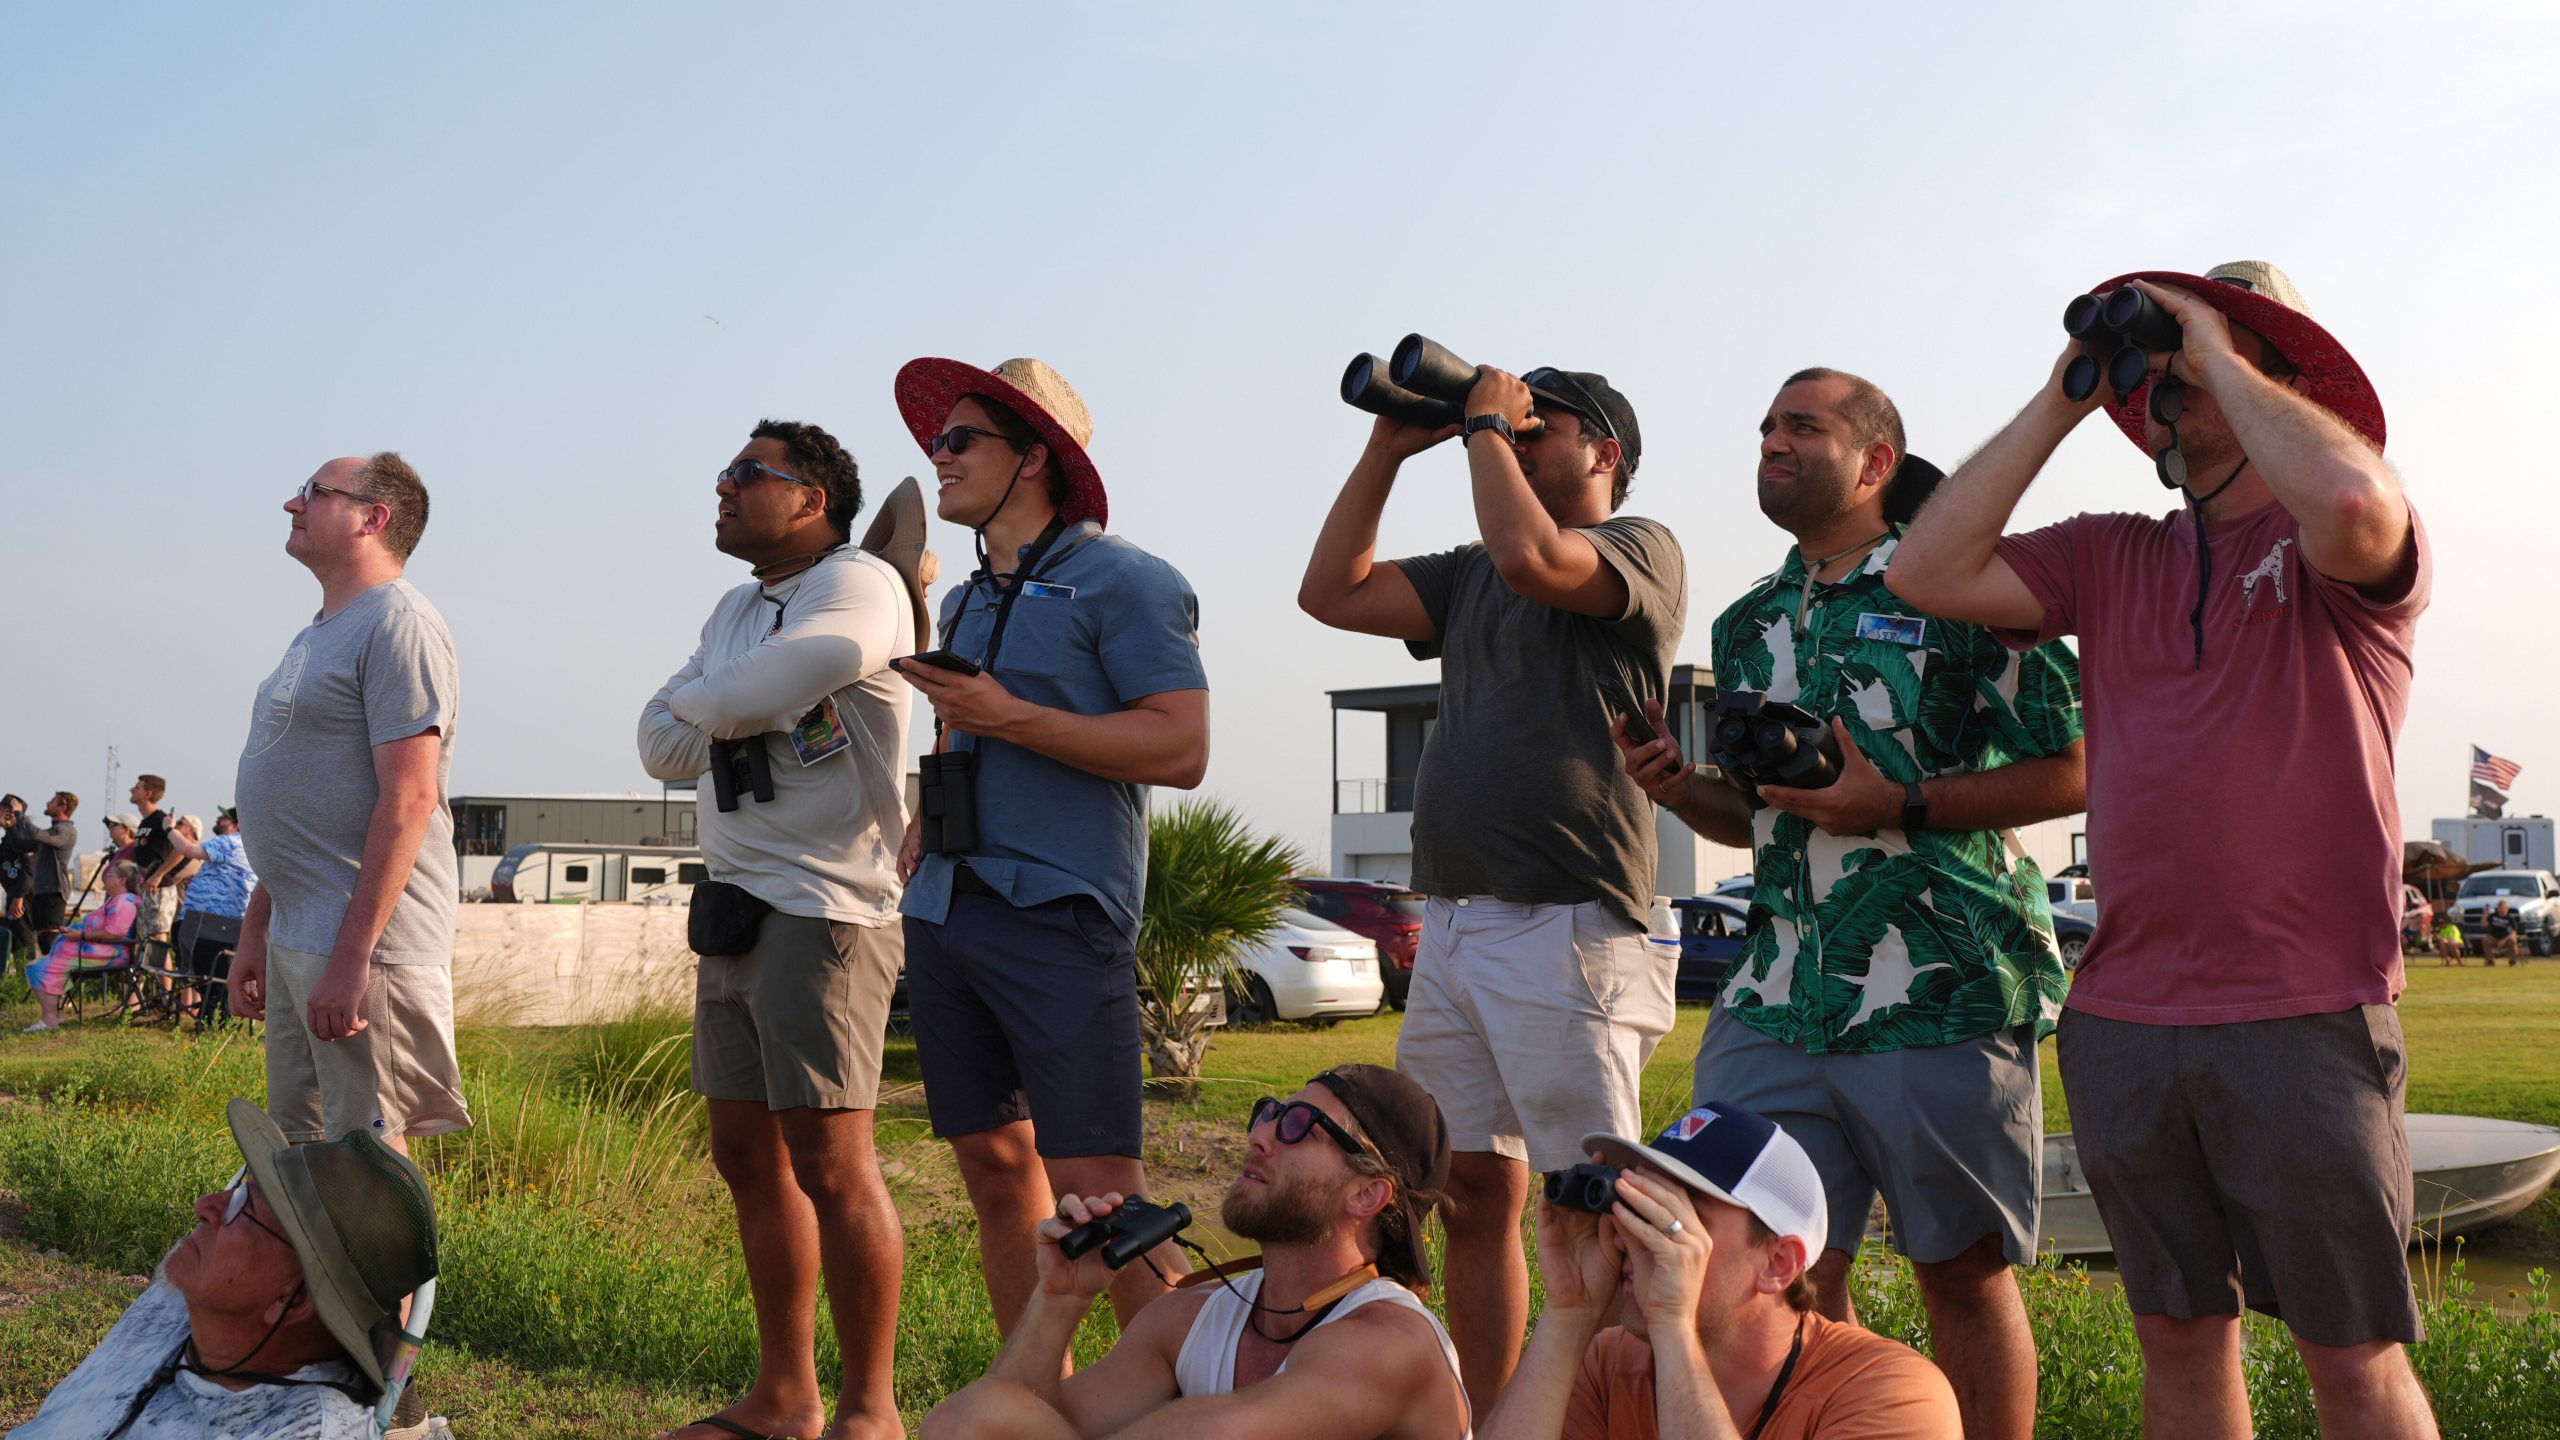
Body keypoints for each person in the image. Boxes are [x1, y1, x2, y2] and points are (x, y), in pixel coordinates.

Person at [1887, 262, 2439, 1437]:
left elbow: (2349, 508)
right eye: (2168, 368)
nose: (2176, 391)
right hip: (2128, 1014)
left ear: (2278, 387)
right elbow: (1924, 571)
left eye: (2210, 364)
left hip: (2300, 1009)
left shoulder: (2337, 556)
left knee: (2353, 1358)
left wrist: (2215, 355)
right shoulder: (2111, 553)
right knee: (2179, 1341)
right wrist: (2063, 397)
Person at [1613, 369, 2085, 1440]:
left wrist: (1902, 800)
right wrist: (1680, 788)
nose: (1772, 441)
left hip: (1941, 985)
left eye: (1802, 426)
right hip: (1776, 994)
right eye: (1767, 426)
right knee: (1759, 1271)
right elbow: (1764, 821)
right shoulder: (1747, 624)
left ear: (1874, 461)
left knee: (1959, 1274)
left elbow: (2080, 765)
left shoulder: (1958, 587)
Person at [1298, 354, 1684, 1411]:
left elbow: (1532, 561)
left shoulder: (1635, 548)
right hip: (1458, 923)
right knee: (1469, 1193)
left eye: (1539, 425)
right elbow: (1327, 593)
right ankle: (1499, 1412)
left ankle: (1612, 1418)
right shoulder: (1469, 571)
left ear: (1604, 453)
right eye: (1513, 421)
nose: (1514, 435)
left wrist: (1476, 424)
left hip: (1568, 924)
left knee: (1594, 1200)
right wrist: (1386, 449)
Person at [890, 357, 1211, 1334]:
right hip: (945, 906)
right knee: (995, 1175)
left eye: (957, 441)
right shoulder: (968, 599)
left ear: (1032, 457)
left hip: (1060, 911)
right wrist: (924, 810)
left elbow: (1182, 747)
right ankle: (1037, 1406)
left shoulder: (1130, 581)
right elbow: (965, 726)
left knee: (1099, 1192)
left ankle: (1183, 1408)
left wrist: (1010, 717)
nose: (934, 458)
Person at [636, 419, 917, 1440]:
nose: (722, 487)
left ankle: (869, 1411)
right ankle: (785, 1398)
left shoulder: (861, 585)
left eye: (747, 473)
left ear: (812, 498)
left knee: (834, 1164)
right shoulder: (732, 607)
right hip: (734, 906)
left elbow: (796, 673)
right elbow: (659, 744)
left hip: (825, 909)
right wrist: (743, 698)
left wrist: (730, 698)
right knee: (745, 1157)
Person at [921, 1065, 1468, 1440]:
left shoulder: (1390, 1343)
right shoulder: (1191, 1317)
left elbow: (1217, 1434)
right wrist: (1057, 1298)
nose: (1261, 1135)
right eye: (1272, 1112)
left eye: (1302, 1126)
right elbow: (1013, 1421)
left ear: (1368, 1193)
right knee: (975, 1414)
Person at [231, 454, 470, 1158]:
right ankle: (317, 1276)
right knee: (303, 1154)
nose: (291, 504)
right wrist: (258, 930)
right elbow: (305, 804)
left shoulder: (400, 625)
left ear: (373, 518)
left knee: (370, 1161)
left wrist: (352, 959)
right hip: (302, 936)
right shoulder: (321, 629)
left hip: (364, 947)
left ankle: (395, 1279)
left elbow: (409, 798)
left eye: (313, 493)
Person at [1481, 1102, 1960, 1440]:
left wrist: (1674, 1323)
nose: (1632, 1235)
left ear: (1778, 1264)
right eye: (1635, 1203)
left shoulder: (1890, 1394)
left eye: (1674, 1218)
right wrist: (1569, 1314)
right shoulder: (1609, 1365)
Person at [9, 1098, 440, 1440]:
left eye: (243, 1208)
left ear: (293, 1301)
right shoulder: (184, 1305)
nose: (205, 1207)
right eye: (237, 1190)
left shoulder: (301, 1429)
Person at [22, 861, 141, 1032]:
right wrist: (75, 932)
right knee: (37, 966)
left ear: (122, 880)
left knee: (40, 968)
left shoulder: (124, 902)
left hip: (111, 955)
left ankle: (50, 1019)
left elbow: (116, 932)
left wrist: (81, 935)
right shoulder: (115, 900)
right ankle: (51, 1015)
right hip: (99, 951)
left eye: (109, 875)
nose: (104, 878)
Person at [166, 812, 259, 1019]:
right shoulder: (253, 848)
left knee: (204, 973)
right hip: (226, 922)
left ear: (236, 826)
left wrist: (169, 829)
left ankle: (213, 1019)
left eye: (223, 817)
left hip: (208, 921)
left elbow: (188, 849)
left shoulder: (230, 842)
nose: (217, 819)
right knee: (216, 973)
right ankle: (214, 1018)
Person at [23, 792, 80, 954]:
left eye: (53, 801)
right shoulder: (53, 831)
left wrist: (21, 817)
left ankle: (60, 976)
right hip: (42, 890)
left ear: (63, 807)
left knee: (51, 938)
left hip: (54, 890)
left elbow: (38, 835)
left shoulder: (66, 831)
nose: (48, 803)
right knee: (43, 937)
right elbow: (25, 843)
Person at [2479, 901, 2523, 966]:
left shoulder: (2510, 919)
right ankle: (2490, 960)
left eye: (2503, 907)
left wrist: (2503, 940)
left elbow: (2513, 932)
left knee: (2512, 940)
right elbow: (2483, 924)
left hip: (2506, 938)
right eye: (2499, 907)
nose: (2501, 909)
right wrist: (2485, 914)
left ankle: (2513, 961)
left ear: (2507, 909)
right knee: (2485, 940)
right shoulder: (2493, 916)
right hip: (2494, 938)